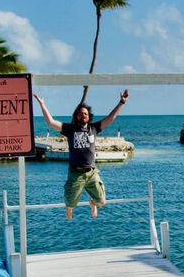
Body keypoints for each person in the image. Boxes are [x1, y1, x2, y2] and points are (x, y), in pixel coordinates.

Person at [33, 89, 129, 219]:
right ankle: (69, 208)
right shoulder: (70, 129)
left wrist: (121, 102)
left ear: (88, 116)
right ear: (75, 117)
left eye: (85, 114)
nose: (82, 115)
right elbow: (50, 122)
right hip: (75, 173)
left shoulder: (94, 128)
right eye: (80, 114)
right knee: (70, 204)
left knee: (102, 202)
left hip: (92, 172)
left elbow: (111, 118)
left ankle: (93, 203)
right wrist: (42, 104)